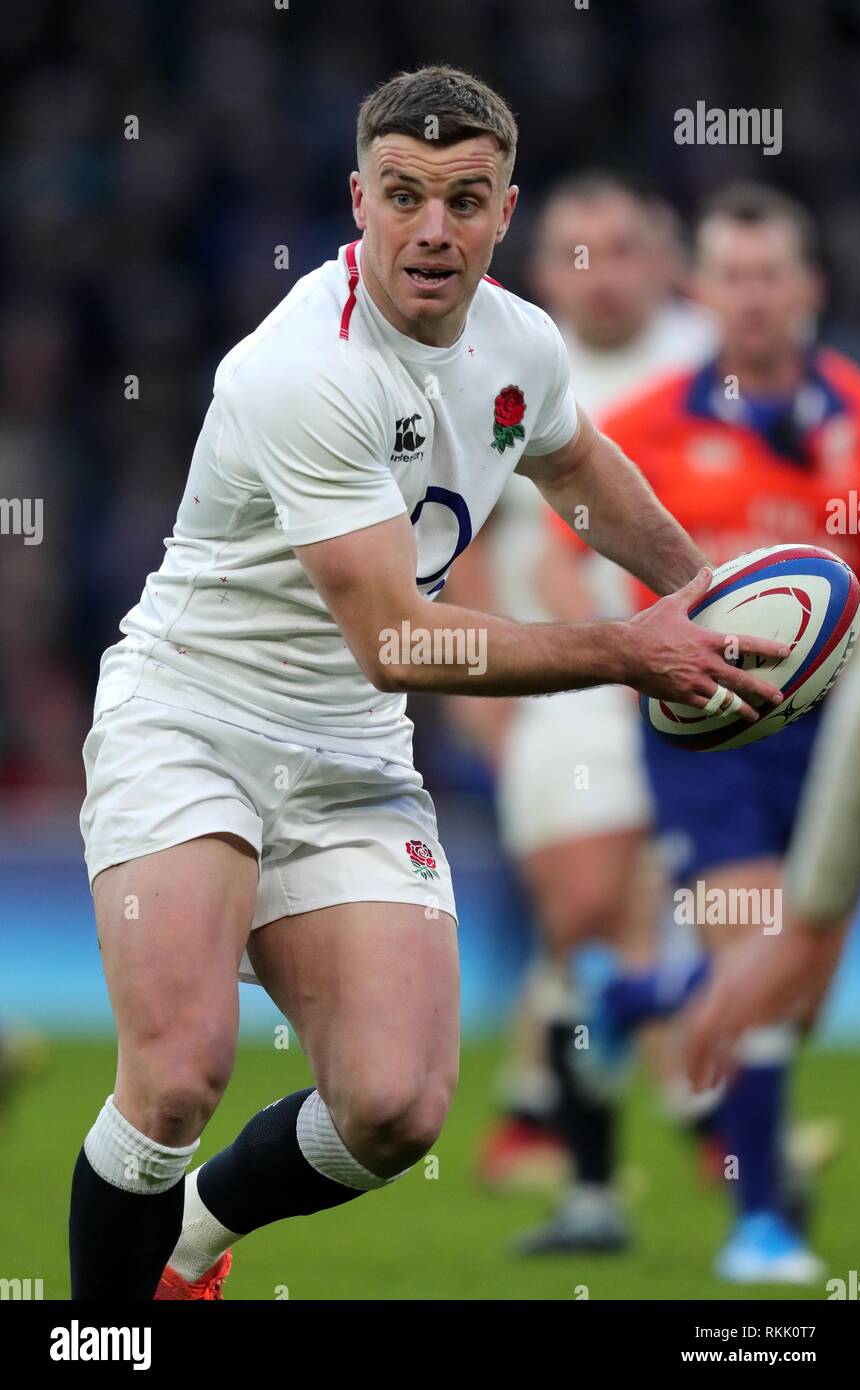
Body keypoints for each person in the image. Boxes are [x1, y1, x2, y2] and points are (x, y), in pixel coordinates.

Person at [73, 67, 785, 1301]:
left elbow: (574, 467)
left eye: (464, 199)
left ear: (506, 209)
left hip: (345, 747)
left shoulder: (518, 340)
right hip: (193, 714)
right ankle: (97, 1335)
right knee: (181, 1071)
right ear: (361, 200)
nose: (433, 229)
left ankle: (190, 1242)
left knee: (395, 1108)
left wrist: (703, 597)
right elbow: (401, 643)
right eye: (403, 196)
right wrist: (631, 649)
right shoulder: (302, 367)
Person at [547, 181, 860, 1282]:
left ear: (807, 288)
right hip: (705, 738)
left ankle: (627, 995)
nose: (750, 296)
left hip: (836, 736)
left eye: (769, 272)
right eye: (729, 275)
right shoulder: (641, 428)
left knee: (802, 980)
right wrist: (604, 653)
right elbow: (558, 547)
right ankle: (759, 1223)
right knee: (758, 945)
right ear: (701, 291)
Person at [445, 174, 716, 1249]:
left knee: (702, 908)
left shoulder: (709, 364)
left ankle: (589, 1137)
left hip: (700, 676)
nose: (596, 275)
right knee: (587, 909)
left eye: (619, 248)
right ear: (541, 260)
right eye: (573, 251)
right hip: (559, 685)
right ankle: (672, 1121)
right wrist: (475, 695)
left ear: (663, 260)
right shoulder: (498, 364)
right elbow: (451, 541)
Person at [685, 633, 860, 1090]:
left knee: (802, 999)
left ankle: (633, 996)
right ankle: (749, 1160)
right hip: (715, 704)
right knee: (754, 931)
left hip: (821, 712)